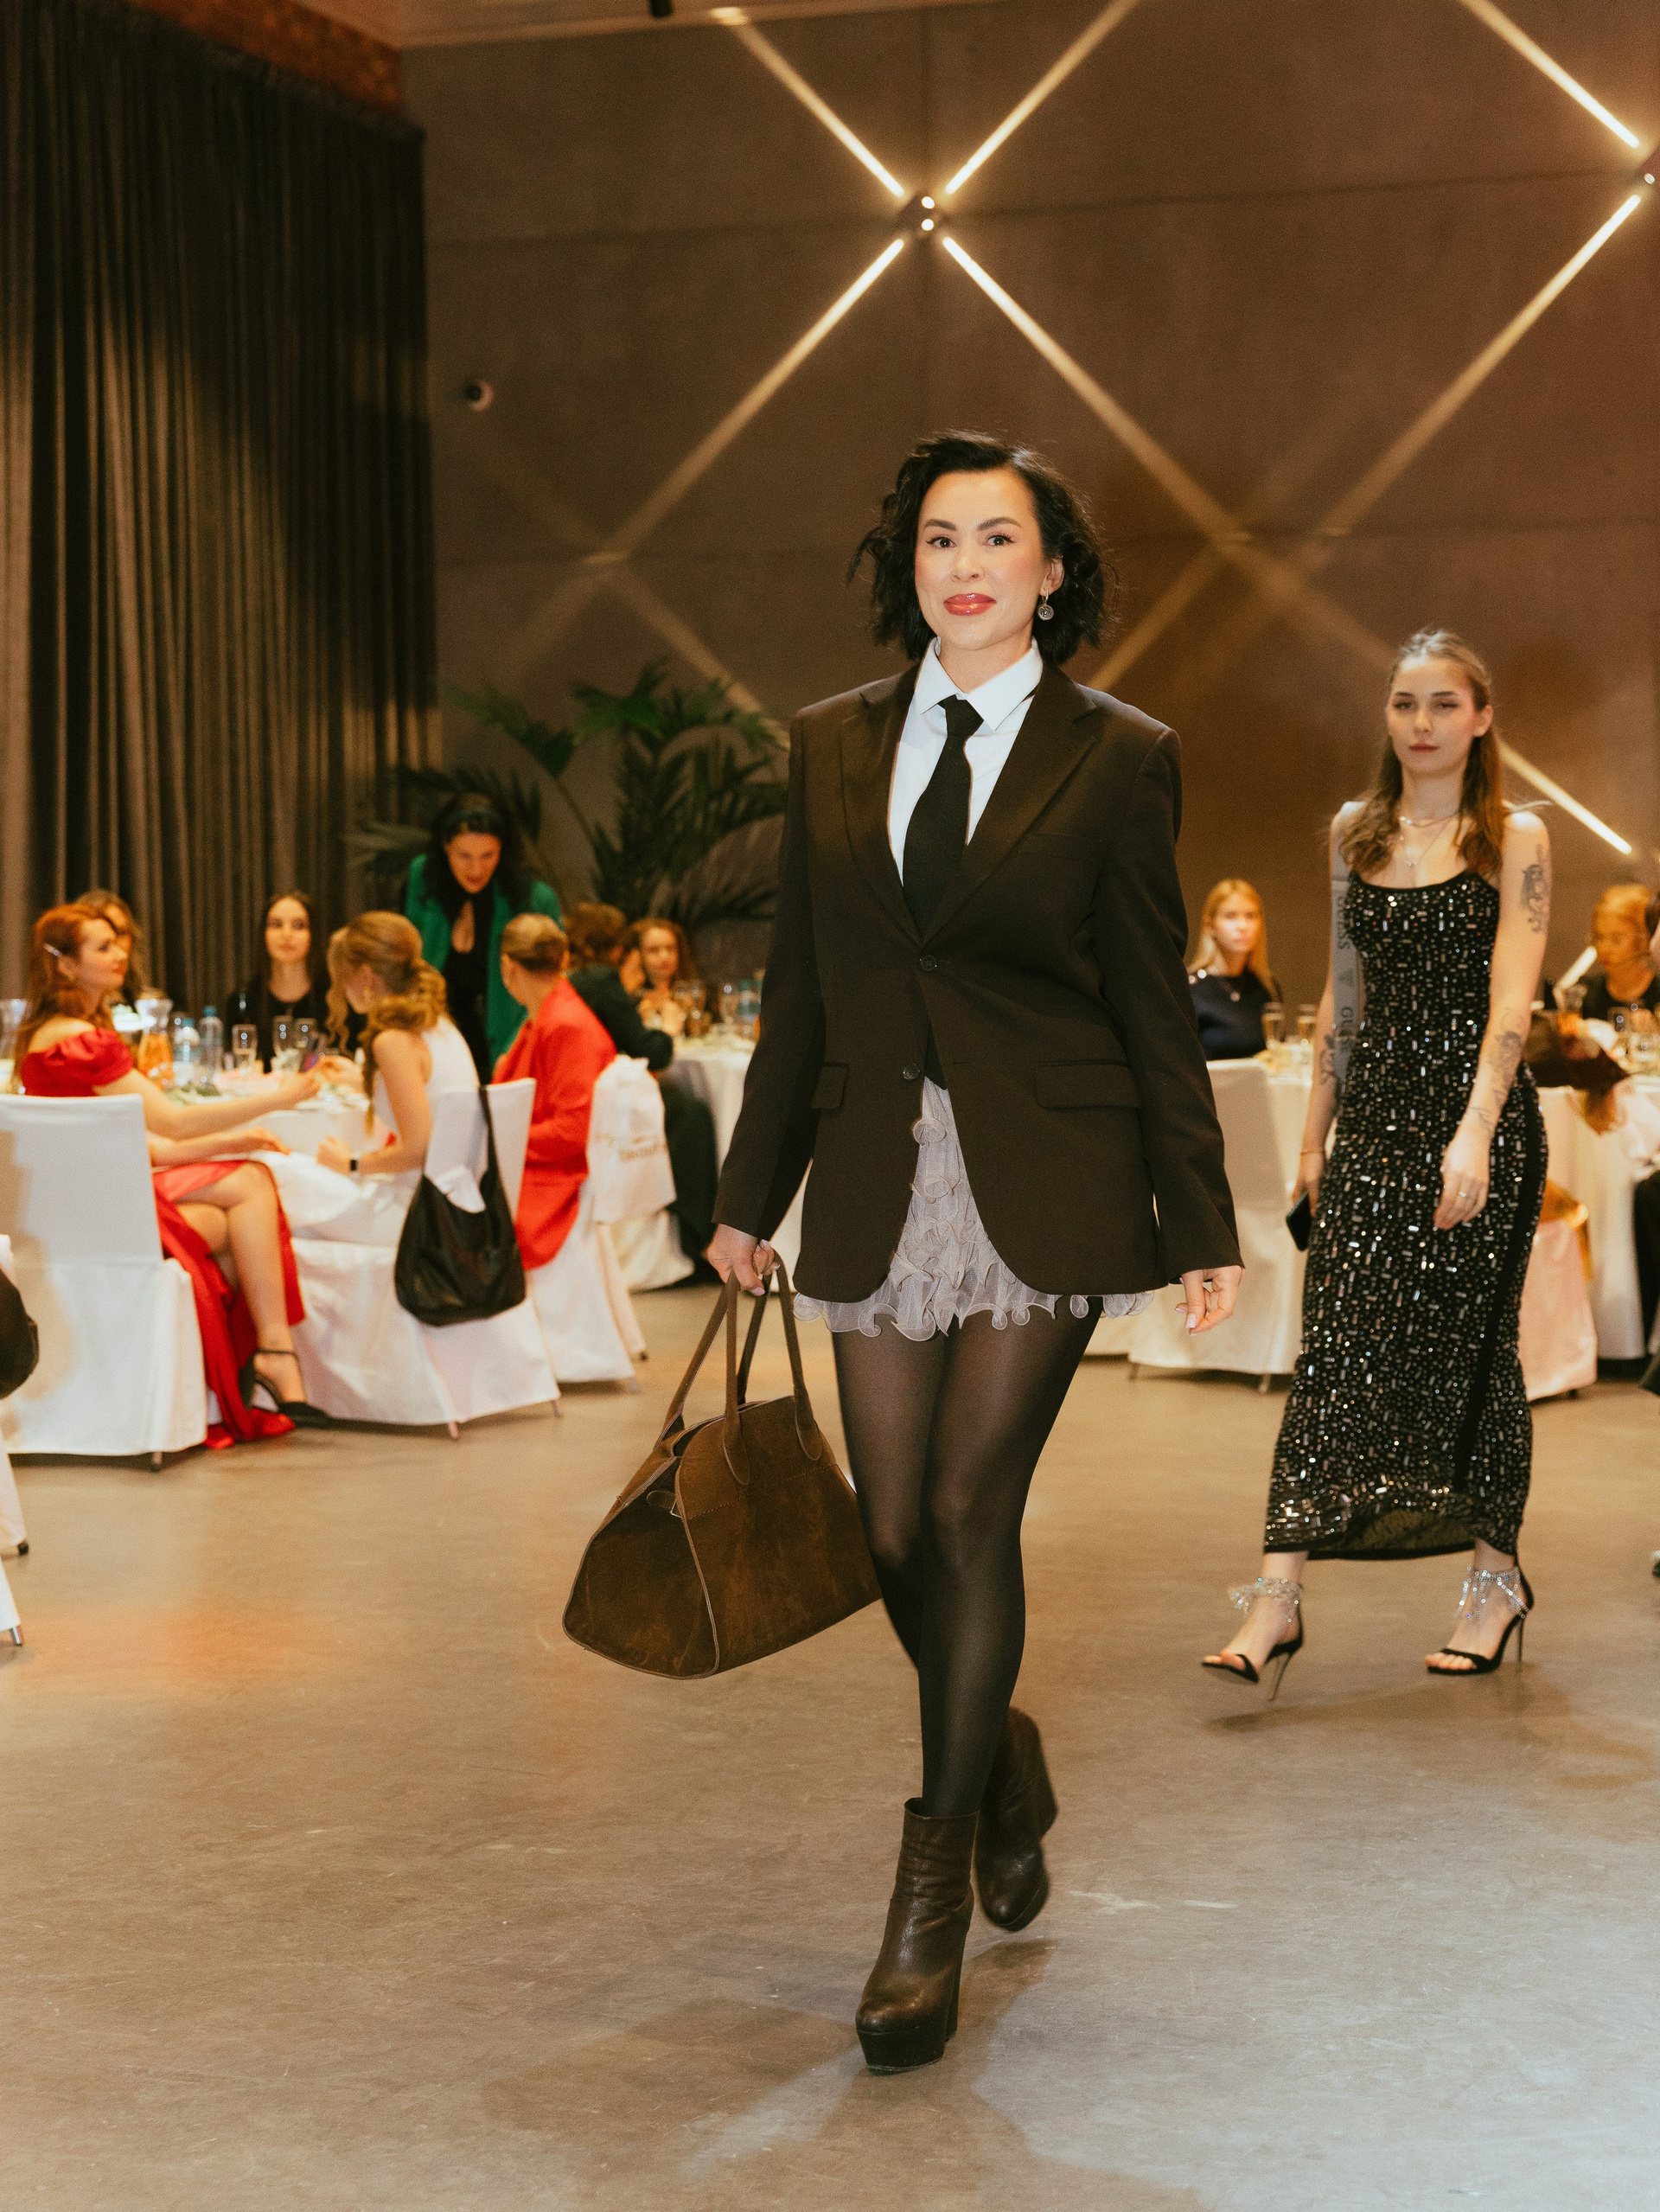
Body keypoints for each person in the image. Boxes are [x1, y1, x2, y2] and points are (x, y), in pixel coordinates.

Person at [706, 431, 1241, 2074]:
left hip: (1046, 1171)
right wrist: (747, 1192)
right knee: (889, 1530)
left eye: (999, 538)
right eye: (940, 537)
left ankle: (928, 1894)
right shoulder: (828, 742)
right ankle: (999, 1751)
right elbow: (804, 986)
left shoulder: (1121, 755)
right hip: (873, 1163)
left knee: (962, 1508)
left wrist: (1198, 1217)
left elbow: (1150, 995)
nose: (967, 565)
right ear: (909, 565)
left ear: (1051, 571)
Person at [1204, 629, 1550, 1691]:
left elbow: (1512, 999)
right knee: (1335, 1348)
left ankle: (1494, 1583)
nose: (1422, 723)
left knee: (1473, 1351)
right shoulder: (1355, 831)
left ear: (1480, 718)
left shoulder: (1516, 836)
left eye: (1444, 703)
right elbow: (1341, 996)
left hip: (1477, 1121)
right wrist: (1315, 1136)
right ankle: (1277, 1595)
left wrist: (1474, 1129)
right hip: (1373, 1126)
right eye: (1405, 703)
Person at [12, 904, 327, 1439]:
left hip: (78, 1205)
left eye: (118, 943)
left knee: (240, 1200)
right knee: (250, 1189)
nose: (120, 954)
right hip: (108, 1211)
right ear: (65, 965)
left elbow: (140, 1142)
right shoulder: (84, 1041)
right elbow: (173, 1123)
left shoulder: (44, 1034)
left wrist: (231, 1141)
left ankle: (244, 1368)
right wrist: (278, 1097)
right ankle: (270, 1355)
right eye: (103, 947)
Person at [260, 914, 476, 1250]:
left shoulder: (393, 1040)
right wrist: (360, 1082)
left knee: (270, 1170)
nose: (342, 991)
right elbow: (423, 1099)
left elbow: (418, 1149)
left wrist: (352, 1163)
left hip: (419, 1215)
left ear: (364, 976)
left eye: (343, 979)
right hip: (454, 1205)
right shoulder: (439, 1025)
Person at [568, 903, 719, 1281]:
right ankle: (697, 1234)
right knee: (694, 1115)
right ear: (622, 948)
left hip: (586, 1085)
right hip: (598, 1096)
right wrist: (668, 1027)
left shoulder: (578, 978)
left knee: (683, 1106)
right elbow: (652, 1052)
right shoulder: (603, 982)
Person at [405, 796, 562, 1081]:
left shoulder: (533, 898)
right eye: (464, 856)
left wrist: (516, 1051)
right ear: (445, 847)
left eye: (488, 855)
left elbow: (552, 987)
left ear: (503, 849)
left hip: (505, 1044)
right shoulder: (424, 877)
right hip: (436, 1039)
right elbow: (410, 962)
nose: (476, 869)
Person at [494, 914, 616, 1268]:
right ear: (563, 959)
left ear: (507, 967)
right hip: (534, 1159)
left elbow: (572, 1131)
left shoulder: (565, 1025)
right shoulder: (547, 1015)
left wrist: (496, 1139)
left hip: (555, 1176)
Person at [226, 891, 329, 1064]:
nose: (287, 935)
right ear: (263, 934)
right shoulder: (243, 1000)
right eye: (276, 925)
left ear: (313, 934)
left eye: (298, 925)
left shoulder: (334, 999)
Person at [1187, 877, 1280, 1058]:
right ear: (1210, 925)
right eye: (1230, 916)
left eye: (1250, 916)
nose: (1242, 926)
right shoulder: (1191, 989)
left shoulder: (1267, 987)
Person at [1580, 883, 1660, 1028]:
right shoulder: (1585, 992)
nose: (1604, 949)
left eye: (1616, 939)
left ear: (1643, 940)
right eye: (1599, 937)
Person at [77, 888, 151, 1016]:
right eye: (104, 945)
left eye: (121, 933)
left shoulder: (150, 1004)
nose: (120, 954)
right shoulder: (66, 1014)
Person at [627, 916, 699, 1026]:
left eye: (670, 948)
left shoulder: (695, 993)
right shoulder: (629, 998)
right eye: (653, 950)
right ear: (637, 955)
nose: (664, 957)